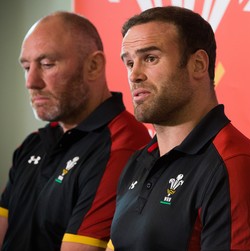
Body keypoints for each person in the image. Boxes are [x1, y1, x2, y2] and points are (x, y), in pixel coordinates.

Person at [106, 6, 250, 251]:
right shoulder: (139, 160)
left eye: (150, 58)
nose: (134, 75)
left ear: (198, 64)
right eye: (128, 62)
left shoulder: (234, 164)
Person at [0, 11, 151, 251]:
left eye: (47, 64)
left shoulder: (123, 143)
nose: (31, 81)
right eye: (26, 67)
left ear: (93, 65)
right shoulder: (34, 143)